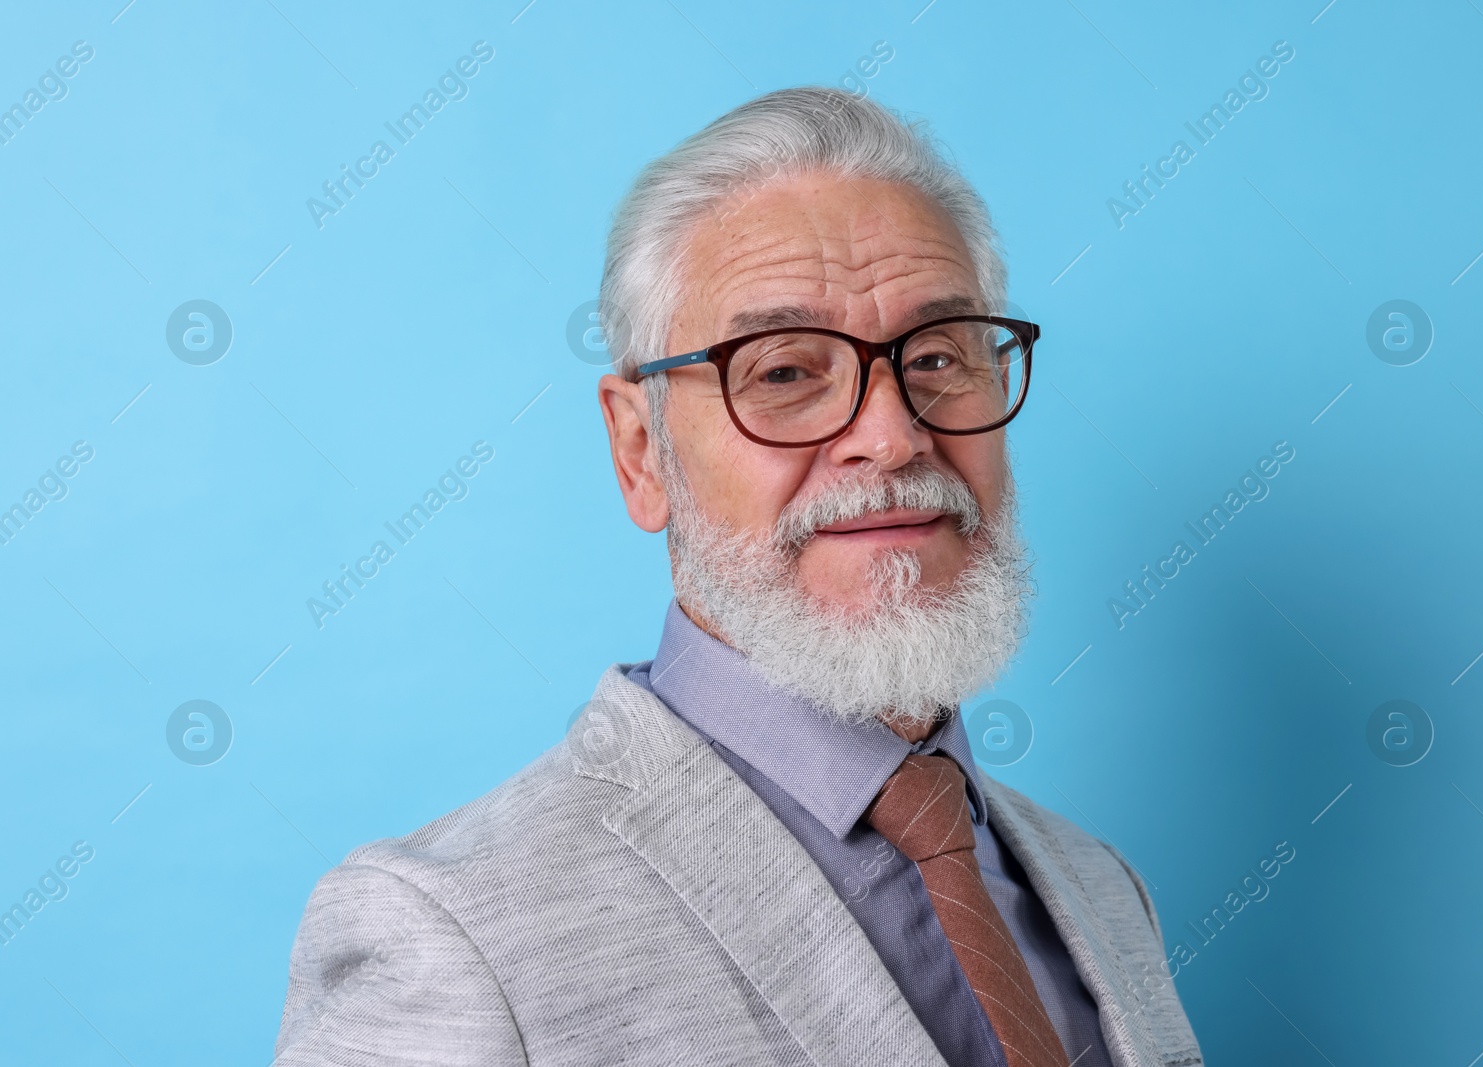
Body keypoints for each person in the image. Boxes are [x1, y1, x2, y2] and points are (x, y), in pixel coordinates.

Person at [272, 86, 1203, 1067]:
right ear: (640, 450)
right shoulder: (448, 931)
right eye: (786, 371)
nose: (891, 434)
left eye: (936, 354)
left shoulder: (1100, 889)